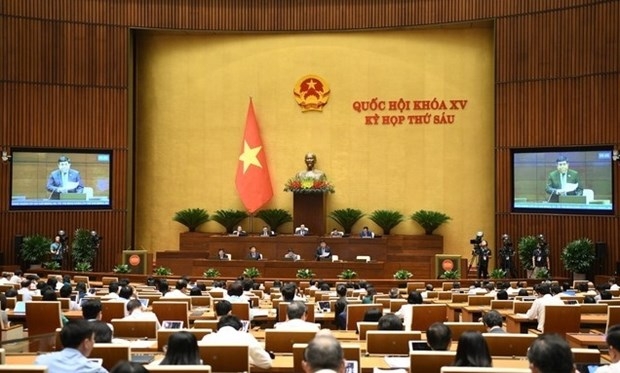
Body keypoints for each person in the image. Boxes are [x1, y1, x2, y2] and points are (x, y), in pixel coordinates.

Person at [35, 319, 108, 373]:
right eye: (93, 339)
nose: (94, 342)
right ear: (86, 343)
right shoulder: (95, 369)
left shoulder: (40, 362)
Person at [201, 314, 272, 369]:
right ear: (240, 329)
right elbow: (266, 363)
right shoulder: (245, 337)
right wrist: (247, 359)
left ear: (218, 328)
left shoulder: (207, 338)